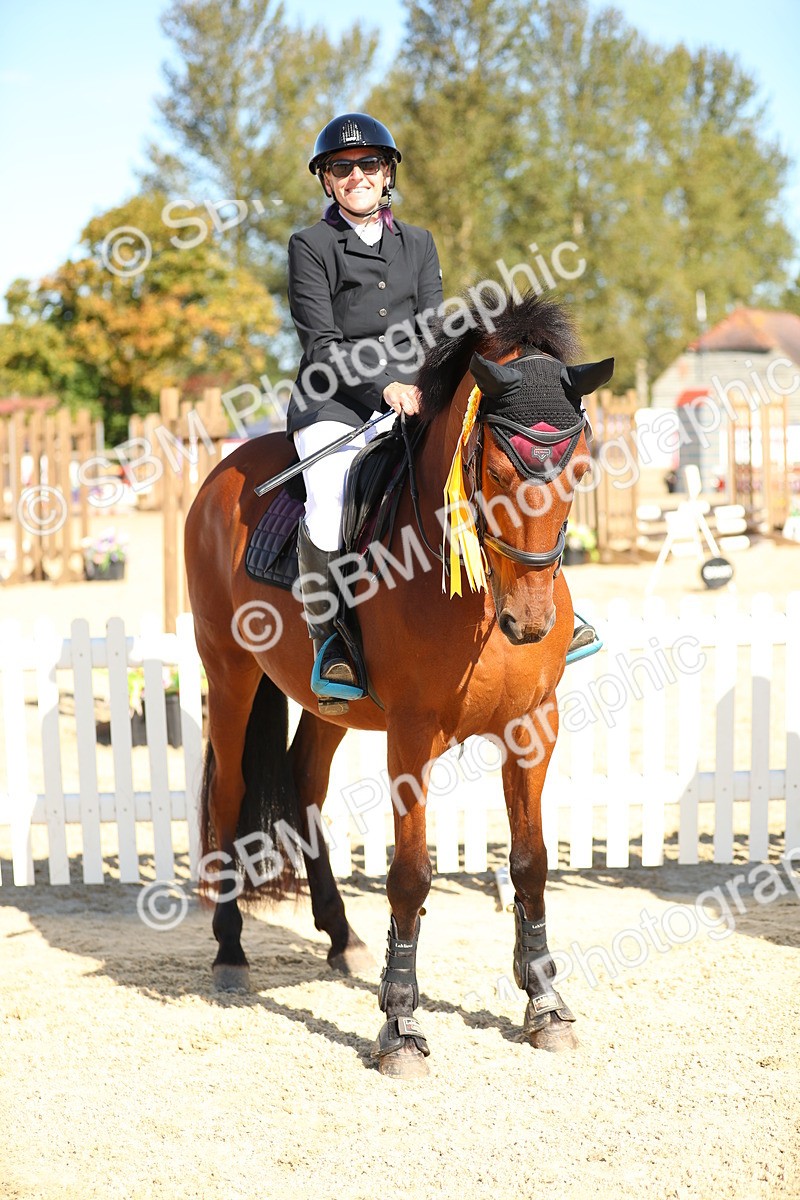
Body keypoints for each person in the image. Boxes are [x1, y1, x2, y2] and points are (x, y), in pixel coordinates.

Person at [286, 112, 444, 703]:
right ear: (327, 181)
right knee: (330, 498)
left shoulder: (419, 243)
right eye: (342, 168)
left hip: (412, 397)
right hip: (333, 402)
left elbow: (434, 328)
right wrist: (385, 388)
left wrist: (430, 384)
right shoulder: (311, 246)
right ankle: (331, 643)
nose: (357, 176)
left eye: (368, 165)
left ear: (387, 174)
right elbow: (321, 344)